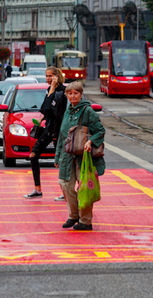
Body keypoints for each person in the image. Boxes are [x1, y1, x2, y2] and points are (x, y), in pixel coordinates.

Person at [55, 81, 105, 230]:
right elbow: (62, 136)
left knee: (84, 188)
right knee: (65, 184)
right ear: (66, 95)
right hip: (67, 156)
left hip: (83, 156)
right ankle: (73, 216)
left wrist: (90, 141)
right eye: (70, 93)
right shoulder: (67, 111)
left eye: (75, 93)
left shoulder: (87, 111)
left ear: (81, 94)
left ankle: (85, 221)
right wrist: (57, 156)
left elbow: (100, 131)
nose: (72, 96)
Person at [24, 67, 68, 199]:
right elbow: (45, 109)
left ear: (56, 76)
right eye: (46, 76)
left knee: (61, 160)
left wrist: (53, 88)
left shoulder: (62, 91)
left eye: (50, 76)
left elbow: (49, 109)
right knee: (33, 155)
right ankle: (37, 189)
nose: (48, 79)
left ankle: (66, 191)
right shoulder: (50, 89)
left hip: (58, 130)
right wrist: (42, 118)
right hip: (48, 128)